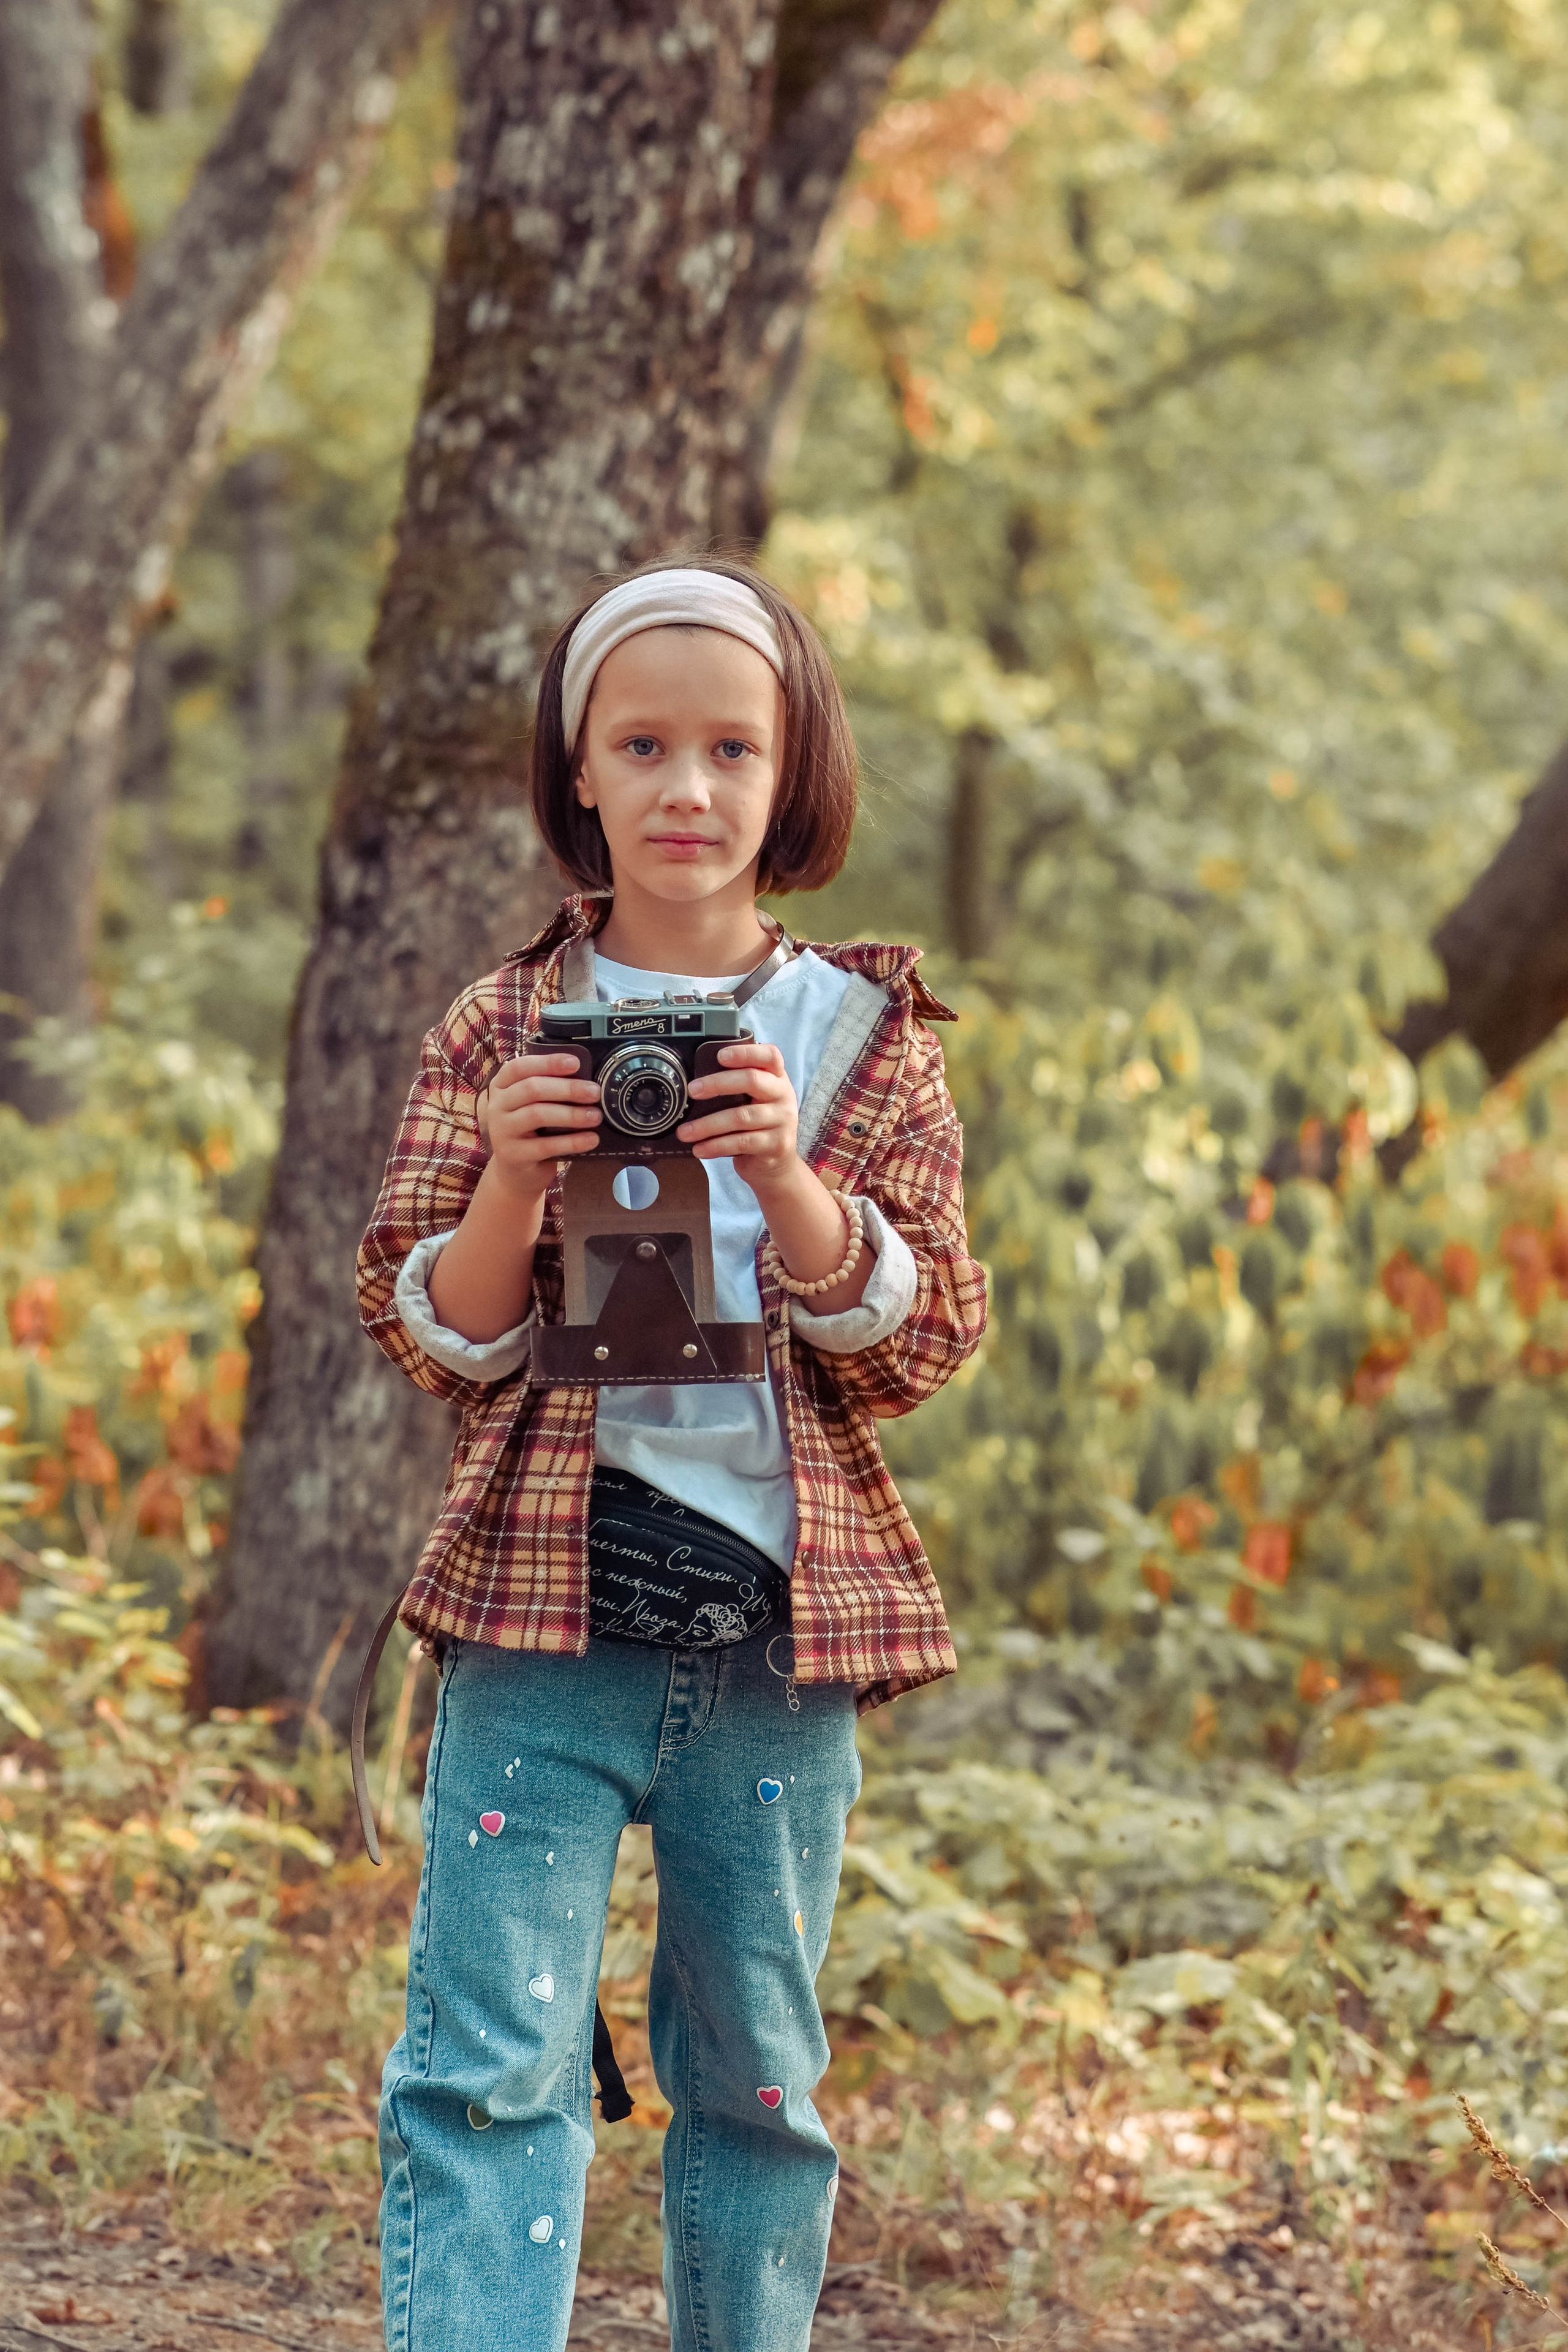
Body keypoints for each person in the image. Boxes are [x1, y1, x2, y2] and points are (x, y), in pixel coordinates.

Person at [356, 556, 988, 2352]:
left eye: (732, 747)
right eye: (643, 745)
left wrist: (791, 1174)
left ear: (794, 776)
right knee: (485, 2065)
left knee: (762, 2085)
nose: (690, 789)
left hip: (780, 1646)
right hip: (540, 1627)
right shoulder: (497, 1027)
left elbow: (925, 1339)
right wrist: (508, 1178)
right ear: (581, 772)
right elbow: (424, 1332)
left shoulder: (865, 1042)